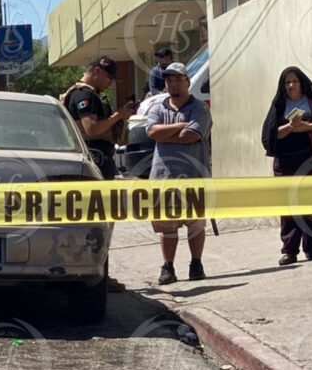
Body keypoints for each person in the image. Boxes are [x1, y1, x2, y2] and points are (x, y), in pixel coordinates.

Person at [62, 55, 136, 292]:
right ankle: (97, 276)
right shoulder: (85, 96)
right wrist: (119, 116)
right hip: (97, 165)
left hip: (91, 164)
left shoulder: (79, 93)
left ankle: (93, 273)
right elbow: (91, 129)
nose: (111, 82)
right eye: (108, 76)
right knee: (101, 222)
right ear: (95, 71)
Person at [145, 62, 212, 285]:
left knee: (195, 224)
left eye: (177, 79)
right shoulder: (157, 107)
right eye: (169, 79)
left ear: (187, 81)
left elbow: (191, 136)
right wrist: (180, 125)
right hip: (164, 177)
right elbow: (152, 131)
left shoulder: (200, 108)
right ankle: (168, 267)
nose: (173, 83)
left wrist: (166, 135)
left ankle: (196, 263)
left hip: (193, 175)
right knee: (167, 226)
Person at [262, 67, 312, 266]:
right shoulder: (279, 105)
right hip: (286, 162)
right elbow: (270, 135)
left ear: (302, 83)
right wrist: (290, 127)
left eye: (294, 81)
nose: (291, 85)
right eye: (287, 83)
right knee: (289, 205)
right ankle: (289, 250)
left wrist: (309, 126)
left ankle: (311, 247)